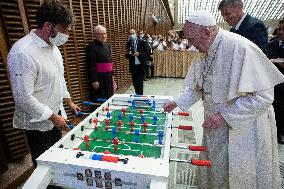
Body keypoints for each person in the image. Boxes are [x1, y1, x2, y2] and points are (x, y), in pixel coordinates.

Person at [163, 10, 282, 189]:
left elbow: (263, 98)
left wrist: (224, 116)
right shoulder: (205, 49)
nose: (191, 45)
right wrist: (177, 102)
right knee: (217, 173)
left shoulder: (241, 48)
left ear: (206, 33)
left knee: (239, 177)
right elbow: (199, 87)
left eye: (192, 39)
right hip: (215, 126)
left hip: (243, 129)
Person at [7, 0, 80, 168]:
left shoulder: (53, 46)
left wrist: (68, 101)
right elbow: (23, 98)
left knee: (55, 156)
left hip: (55, 115)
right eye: (65, 31)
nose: (67, 35)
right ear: (49, 26)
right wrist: (52, 116)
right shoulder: (23, 53)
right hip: (37, 122)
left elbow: (58, 78)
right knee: (43, 164)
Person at [86, 25, 116, 103]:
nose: (104, 36)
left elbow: (110, 62)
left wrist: (112, 76)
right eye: (101, 34)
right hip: (99, 77)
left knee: (109, 97)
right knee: (100, 98)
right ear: (96, 35)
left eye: (105, 33)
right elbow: (91, 65)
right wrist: (94, 80)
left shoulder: (108, 45)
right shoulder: (91, 47)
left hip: (108, 76)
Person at [267, 18, 284, 144]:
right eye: (279, 29)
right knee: (276, 108)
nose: (280, 32)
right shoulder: (272, 44)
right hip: (275, 83)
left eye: (283, 29)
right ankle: (278, 133)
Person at [125, 29, 150, 95]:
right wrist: (130, 54)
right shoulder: (129, 43)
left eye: (133, 33)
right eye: (130, 34)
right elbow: (126, 55)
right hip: (133, 66)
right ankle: (137, 95)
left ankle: (140, 96)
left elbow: (148, 52)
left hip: (140, 66)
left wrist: (139, 54)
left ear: (136, 34)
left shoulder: (142, 42)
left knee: (139, 83)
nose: (132, 35)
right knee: (135, 83)